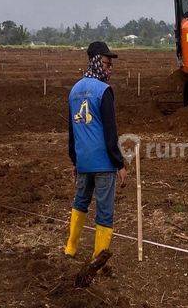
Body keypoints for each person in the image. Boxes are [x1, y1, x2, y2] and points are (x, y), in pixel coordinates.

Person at [64, 41, 128, 261]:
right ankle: (98, 258)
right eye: (107, 63)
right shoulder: (104, 91)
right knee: (104, 211)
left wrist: (75, 160)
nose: (110, 68)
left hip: (83, 162)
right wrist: (119, 163)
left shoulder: (74, 90)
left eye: (111, 65)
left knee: (80, 202)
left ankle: (70, 248)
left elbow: (72, 131)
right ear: (96, 61)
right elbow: (111, 133)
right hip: (103, 164)